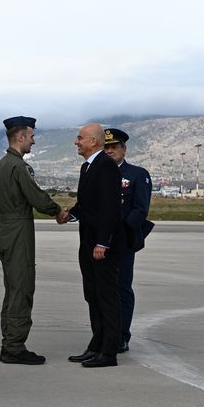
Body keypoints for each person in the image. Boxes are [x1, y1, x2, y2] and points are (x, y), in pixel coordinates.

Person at [0, 116, 68, 365]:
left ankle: (9, 342)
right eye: (32, 136)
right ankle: (14, 347)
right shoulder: (18, 167)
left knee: (12, 290)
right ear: (21, 136)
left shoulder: (0, 166)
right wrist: (57, 211)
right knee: (22, 290)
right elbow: (36, 197)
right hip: (18, 232)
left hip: (3, 230)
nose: (33, 141)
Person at [63, 123, 125, 368]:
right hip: (87, 242)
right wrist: (69, 214)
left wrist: (103, 242)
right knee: (92, 295)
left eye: (80, 138)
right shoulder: (87, 166)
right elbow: (87, 204)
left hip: (101, 246)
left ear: (93, 142)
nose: (76, 142)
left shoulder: (106, 166)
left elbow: (110, 207)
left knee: (106, 296)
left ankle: (109, 352)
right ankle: (96, 345)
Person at [103, 127, 154, 353]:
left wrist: (121, 233)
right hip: (100, 241)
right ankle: (105, 333)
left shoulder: (137, 174)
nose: (110, 151)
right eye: (106, 147)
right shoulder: (98, 173)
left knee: (122, 287)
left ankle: (122, 335)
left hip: (122, 241)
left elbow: (140, 209)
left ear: (124, 149)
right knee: (102, 289)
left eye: (114, 147)